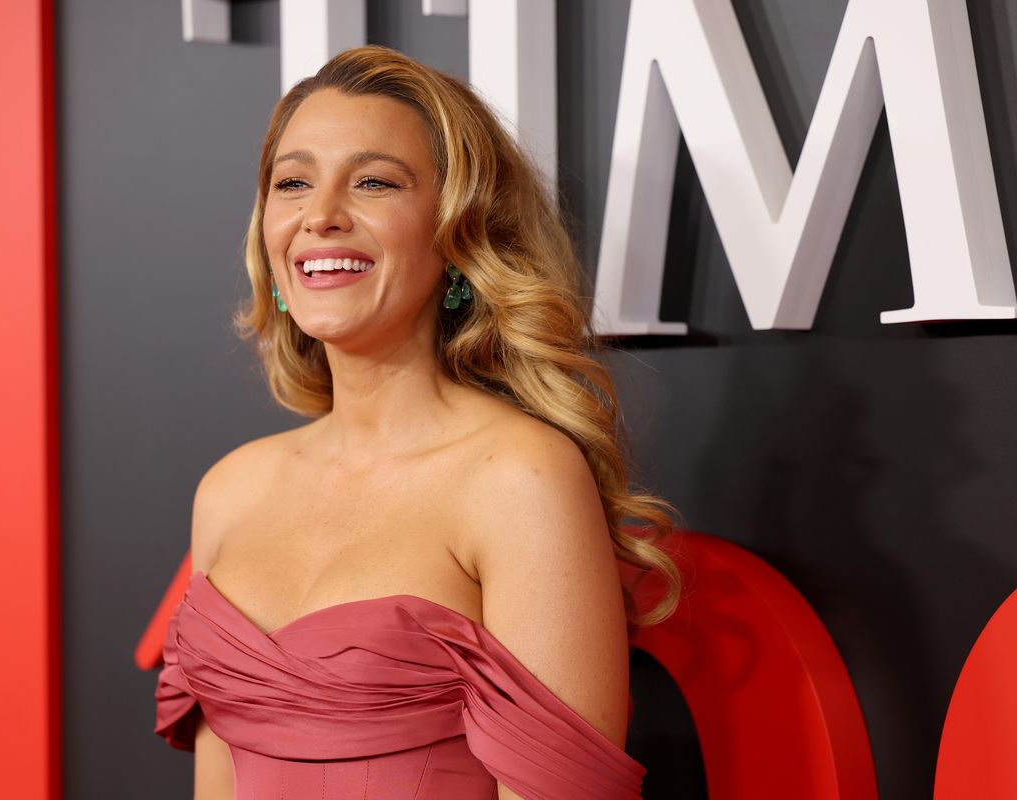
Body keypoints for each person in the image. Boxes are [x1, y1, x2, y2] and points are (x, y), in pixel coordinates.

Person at [155, 44, 681, 800]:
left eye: (373, 182)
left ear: (457, 233)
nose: (320, 216)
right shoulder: (229, 491)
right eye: (292, 182)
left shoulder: (520, 478)